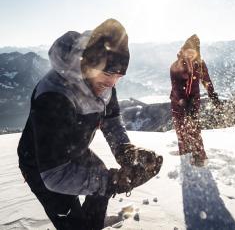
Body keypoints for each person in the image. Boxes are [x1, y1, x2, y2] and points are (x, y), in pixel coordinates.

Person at [17, 19, 163, 230]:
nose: (112, 83)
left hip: (76, 149)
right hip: (42, 165)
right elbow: (54, 175)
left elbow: (111, 120)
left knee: (100, 188)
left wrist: (125, 150)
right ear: (89, 63)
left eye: (119, 76)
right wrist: (114, 181)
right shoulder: (54, 95)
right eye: (108, 74)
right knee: (72, 216)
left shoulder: (103, 82)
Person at [170, 34, 221, 167]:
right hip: (178, 102)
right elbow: (176, 87)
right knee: (180, 128)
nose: (191, 54)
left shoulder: (200, 64)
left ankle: (200, 157)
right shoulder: (176, 66)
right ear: (183, 50)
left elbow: (206, 80)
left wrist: (212, 95)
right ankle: (185, 154)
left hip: (194, 100)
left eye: (194, 52)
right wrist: (183, 103)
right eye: (189, 51)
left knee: (194, 128)